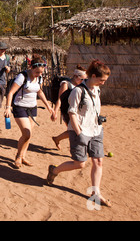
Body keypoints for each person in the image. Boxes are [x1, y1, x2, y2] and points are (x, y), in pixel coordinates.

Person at [47, 59, 112, 207]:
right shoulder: (78, 91)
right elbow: (72, 112)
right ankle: (54, 170)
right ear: (93, 76)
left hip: (95, 130)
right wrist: (78, 132)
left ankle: (96, 192)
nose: (103, 83)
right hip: (80, 131)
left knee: (98, 161)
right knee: (80, 164)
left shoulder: (97, 89)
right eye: (102, 80)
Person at [4, 55, 56, 169]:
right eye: (37, 72)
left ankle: (22, 156)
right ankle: (18, 156)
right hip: (19, 107)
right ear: (31, 67)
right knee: (26, 133)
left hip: (33, 108)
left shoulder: (39, 78)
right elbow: (11, 93)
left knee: (29, 135)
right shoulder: (22, 77)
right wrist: (8, 107)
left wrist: (49, 107)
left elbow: (39, 91)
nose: (39, 74)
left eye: (41, 72)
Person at [51, 65, 87, 150]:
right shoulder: (66, 84)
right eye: (82, 79)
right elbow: (59, 99)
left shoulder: (80, 85)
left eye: (85, 80)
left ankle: (57, 139)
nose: (83, 81)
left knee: (73, 130)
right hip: (67, 111)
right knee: (74, 130)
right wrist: (55, 112)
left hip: (77, 111)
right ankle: (75, 149)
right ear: (75, 76)